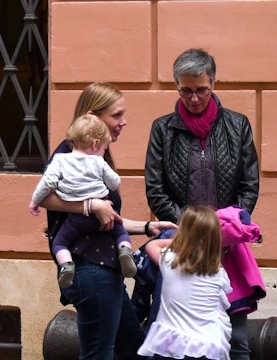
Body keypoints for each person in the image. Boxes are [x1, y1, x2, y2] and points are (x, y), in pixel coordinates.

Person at [38, 82, 177, 360]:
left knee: (130, 349)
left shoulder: (96, 155)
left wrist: (148, 227)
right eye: (117, 115)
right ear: (93, 116)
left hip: (106, 269)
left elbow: (107, 219)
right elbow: (43, 197)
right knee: (99, 354)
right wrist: (91, 205)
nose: (123, 122)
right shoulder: (69, 152)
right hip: (89, 270)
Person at [144, 48, 260, 360]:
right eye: (186, 91)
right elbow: (156, 191)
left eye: (201, 90)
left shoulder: (238, 126)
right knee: (172, 334)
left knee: (236, 337)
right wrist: (192, 234)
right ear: (176, 87)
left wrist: (225, 232)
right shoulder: (162, 129)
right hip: (178, 243)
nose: (194, 99)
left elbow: (249, 188)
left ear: (214, 83)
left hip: (227, 247)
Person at [29, 114, 136, 289]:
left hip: (77, 219)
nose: (104, 152)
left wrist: (35, 201)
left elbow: (47, 183)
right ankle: (124, 251)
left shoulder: (60, 160)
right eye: (105, 148)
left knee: (60, 242)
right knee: (120, 233)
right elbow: (115, 183)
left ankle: (67, 265)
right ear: (95, 144)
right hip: (104, 213)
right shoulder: (99, 162)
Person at [137, 205, 232, 360]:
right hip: (207, 346)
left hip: (171, 346)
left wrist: (184, 240)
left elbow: (151, 245)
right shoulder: (218, 273)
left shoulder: (169, 262)